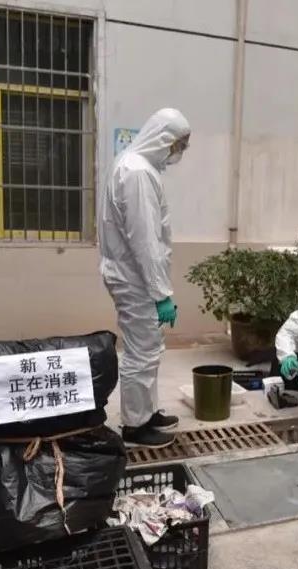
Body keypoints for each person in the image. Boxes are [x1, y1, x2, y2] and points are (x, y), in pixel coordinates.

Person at [98, 108, 190, 448]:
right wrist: (161, 293)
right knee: (141, 352)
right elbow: (145, 240)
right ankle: (135, 426)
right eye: (178, 144)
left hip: (134, 276)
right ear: (163, 138)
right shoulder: (137, 172)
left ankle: (147, 413)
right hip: (135, 278)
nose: (179, 152)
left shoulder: (135, 165)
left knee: (149, 348)